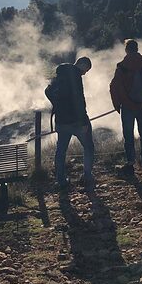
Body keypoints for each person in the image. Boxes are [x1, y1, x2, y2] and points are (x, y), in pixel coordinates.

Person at [109, 39, 142, 174]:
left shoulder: (122, 66)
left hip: (127, 107)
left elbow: (114, 87)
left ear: (126, 50)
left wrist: (118, 105)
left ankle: (130, 163)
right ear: (137, 48)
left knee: (128, 135)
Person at [46, 57, 95, 190]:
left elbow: (47, 91)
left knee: (61, 151)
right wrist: (84, 121)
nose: (85, 73)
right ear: (82, 64)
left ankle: (61, 180)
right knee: (89, 147)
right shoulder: (75, 76)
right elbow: (79, 99)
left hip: (61, 121)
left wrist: (58, 105)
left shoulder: (59, 74)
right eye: (86, 70)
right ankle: (87, 175)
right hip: (77, 122)